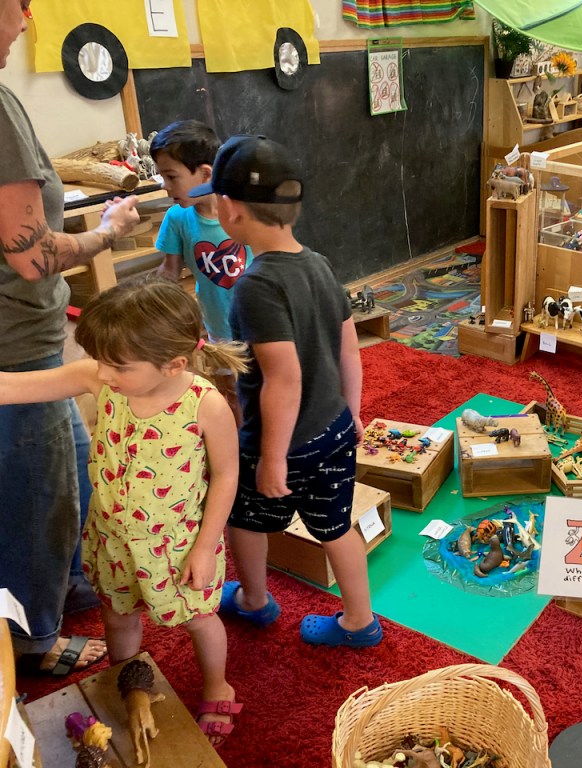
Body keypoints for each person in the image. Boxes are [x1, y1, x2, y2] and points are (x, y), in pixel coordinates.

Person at [0, 279, 248, 742]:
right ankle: (129, 679)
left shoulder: (205, 405)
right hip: (113, 538)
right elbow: (14, 386)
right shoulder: (101, 378)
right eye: (99, 360)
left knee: (198, 619)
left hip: (178, 545)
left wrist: (205, 547)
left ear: (174, 364)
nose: (103, 372)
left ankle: (218, 685)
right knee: (117, 615)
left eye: (118, 365)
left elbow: (227, 476)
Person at [192, 135, 382, 647]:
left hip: (284, 443)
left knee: (244, 518)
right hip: (334, 428)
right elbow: (349, 349)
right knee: (336, 526)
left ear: (229, 209)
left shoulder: (255, 286)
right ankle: (359, 621)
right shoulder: (318, 263)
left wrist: (272, 458)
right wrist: (352, 412)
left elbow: (283, 378)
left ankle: (254, 600)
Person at [1, 0, 141, 676]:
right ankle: (33, 636)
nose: (25, 21)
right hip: (16, 345)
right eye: (17, 4)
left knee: (71, 470)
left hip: (22, 338)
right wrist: (108, 233)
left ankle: (73, 581)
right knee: (37, 496)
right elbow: (33, 256)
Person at [152, 119, 251, 423]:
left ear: (206, 174)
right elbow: (169, 273)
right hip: (218, 325)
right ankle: (239, 445)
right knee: (230, 391)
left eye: (171, 177)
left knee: (263, 386)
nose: (165, 186)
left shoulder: (242, 209)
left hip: (258, 321)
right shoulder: (177, 218)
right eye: (162, 177)